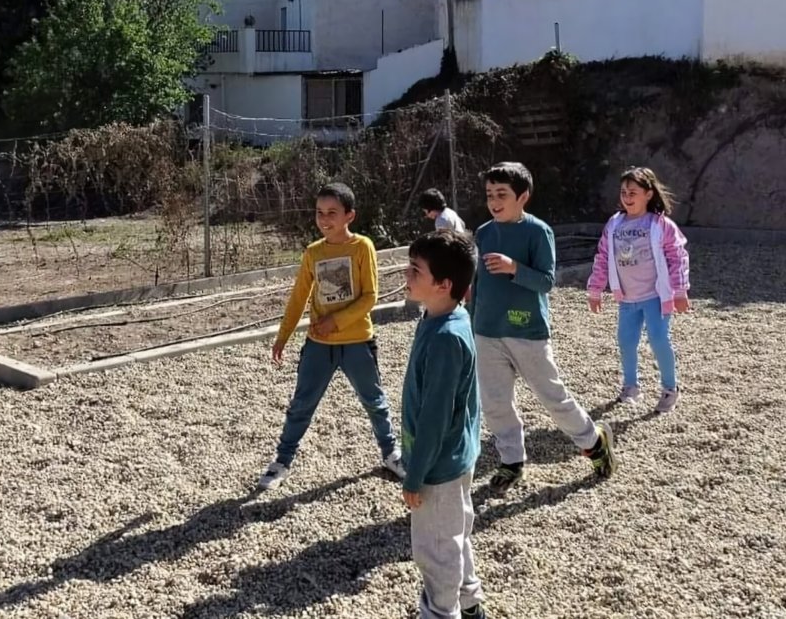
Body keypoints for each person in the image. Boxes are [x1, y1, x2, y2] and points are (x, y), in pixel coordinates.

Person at [471, 162, 616, 495]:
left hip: (527, 331)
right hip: (486, 331)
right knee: (495, 402)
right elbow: (476, 283)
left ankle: (594, 443)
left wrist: (514, 268)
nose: (494, 200)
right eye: (490, 194)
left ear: (523, 197)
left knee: (552, 397)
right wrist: (469, 317)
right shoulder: (483, 232)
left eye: (502, 194)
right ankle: (511, 461)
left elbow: (546, 282)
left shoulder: (538, 232)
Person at [260, 182, 406, 490]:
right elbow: (299, 297)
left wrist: (336, 321)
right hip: (318, 346)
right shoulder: (313, 253)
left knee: (374, 401)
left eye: (332, 213)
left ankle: (391, 453)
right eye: (320, 212)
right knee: (301, 404)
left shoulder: (362, 246)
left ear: (349, 216)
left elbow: (370, 296)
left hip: (357, 342)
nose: (325, 219)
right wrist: (283, 336)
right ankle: (282, 461)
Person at [400, 230, 487, 619]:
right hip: (455, 457)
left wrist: (415, 475)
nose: (407, 274)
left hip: (437, 465)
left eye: (416, 270)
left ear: (443, 284)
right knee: (455, 535)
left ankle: (441, 611)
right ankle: (470, 605)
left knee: (436, 550)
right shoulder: (445, 316)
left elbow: (436, 416)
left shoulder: (445, 339)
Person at [587, 166, 691, 414]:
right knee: (625, 341)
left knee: (658, 339)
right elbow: (603, 256)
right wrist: (595, 289)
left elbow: (677, 256)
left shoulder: (660, 224)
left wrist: (679, 291)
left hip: (656, 296)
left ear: (648, 193)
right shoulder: (614, 224)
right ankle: (631, 387)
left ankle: (669, 389)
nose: (627, 197)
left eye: (633, 192)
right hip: (627, 298)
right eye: (624, 192)